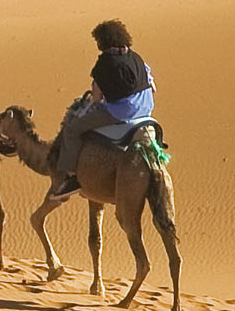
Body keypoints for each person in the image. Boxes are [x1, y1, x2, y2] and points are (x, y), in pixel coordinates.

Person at [44, 20, 155, 203]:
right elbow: (153, 85)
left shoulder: (104, 65)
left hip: (121, 112)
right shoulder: (137, 58)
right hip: (146, 110)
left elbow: (97, 98)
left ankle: (70, 178)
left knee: (73, 129)